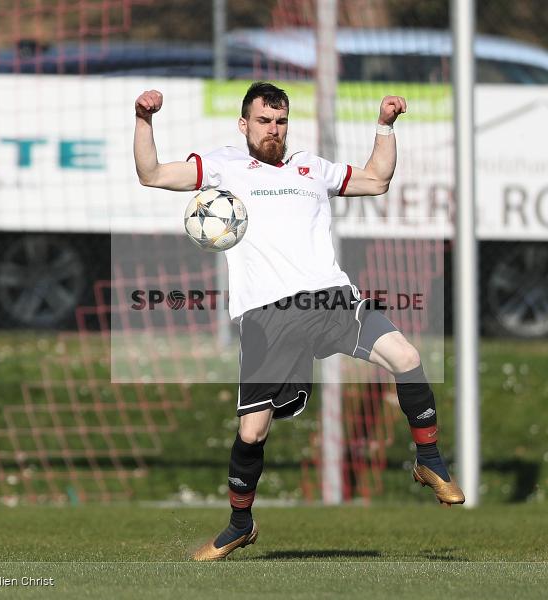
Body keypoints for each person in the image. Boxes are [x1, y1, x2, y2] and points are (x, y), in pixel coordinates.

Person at [134, 82, 464, 561]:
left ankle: (430, 460)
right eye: (264, 121)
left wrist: (385, 128)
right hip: (269, 314)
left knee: (408, 357)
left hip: (330, 299)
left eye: (281, 121)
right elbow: (150, 173)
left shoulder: (311, 168)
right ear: (244, 124)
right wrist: (144, 119)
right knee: (252, 433)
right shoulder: (222, 166)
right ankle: (240, 524)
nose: (274, 130)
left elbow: (376, 179)